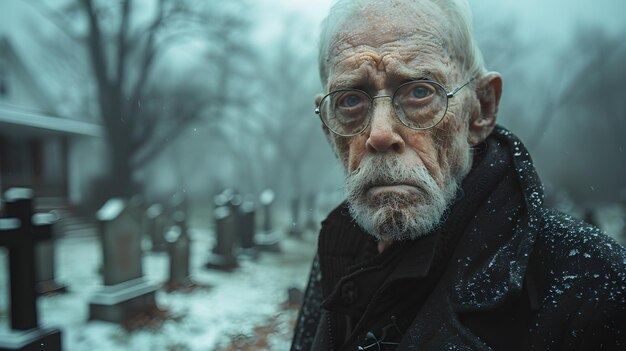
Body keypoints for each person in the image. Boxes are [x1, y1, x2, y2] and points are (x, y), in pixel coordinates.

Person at [290, 0, 626, 350]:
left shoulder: (591, 280)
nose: (379, 134)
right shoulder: (338, 254)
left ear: (480, 109)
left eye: (420, 92)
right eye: (350, 101)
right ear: (329, 130)